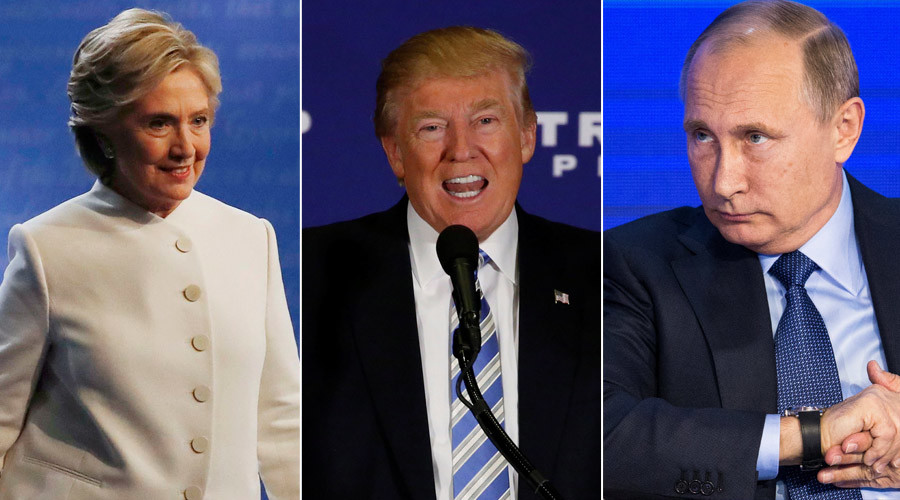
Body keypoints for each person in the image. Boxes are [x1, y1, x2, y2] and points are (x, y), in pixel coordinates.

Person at [604, 1, 900, 498]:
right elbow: (604, 437)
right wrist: (811, 434)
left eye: (755, 137)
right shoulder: (637, 264)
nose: (723, 181)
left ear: (843, 129)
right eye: (702, 136)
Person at [0, 9, 299, 499]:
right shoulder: (45, 247)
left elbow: (282, 415)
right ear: (103, 133)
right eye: (160, 123)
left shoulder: (251, 237)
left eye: (198, 121)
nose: (186, 147)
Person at [303, 26, 601, 499]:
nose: (461, 150)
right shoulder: (311, 273)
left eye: (486, 120)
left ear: (526, 136)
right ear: (395, 152)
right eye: (432, 127)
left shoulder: (606, 274)